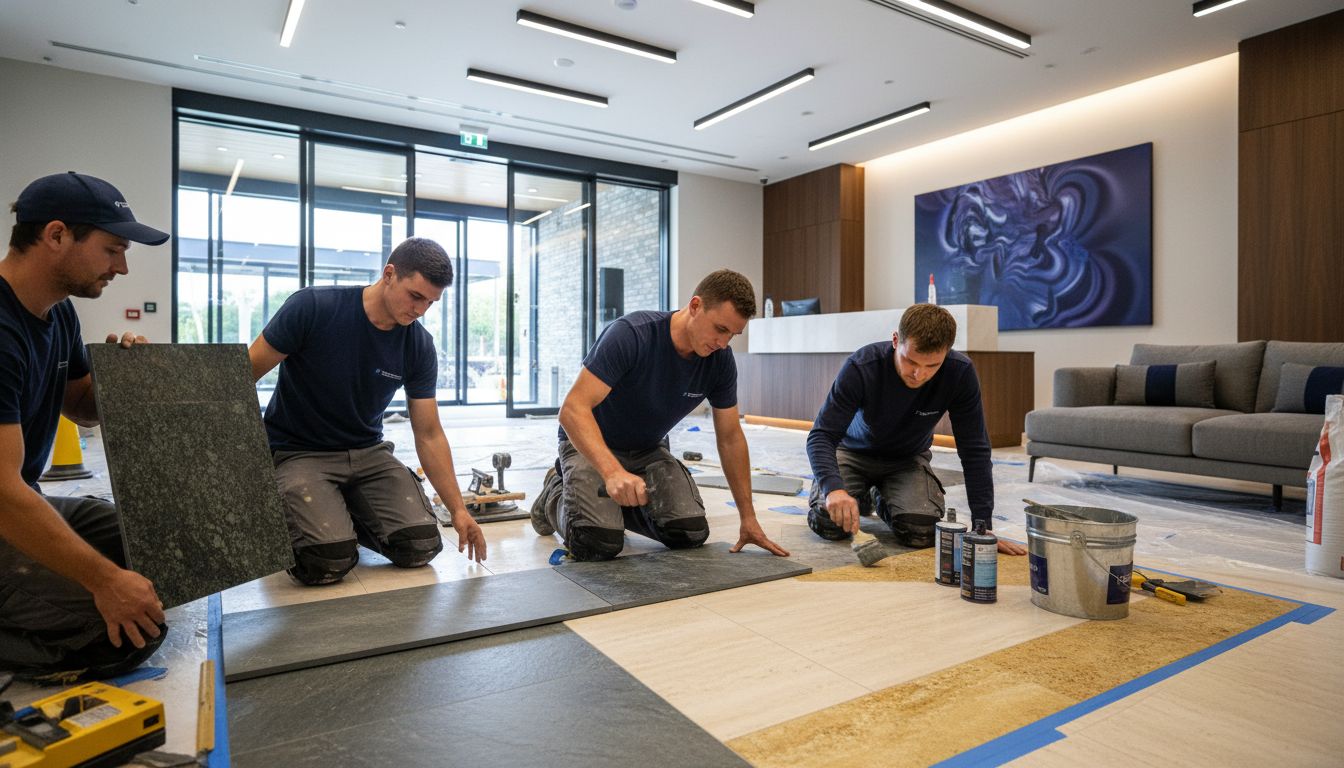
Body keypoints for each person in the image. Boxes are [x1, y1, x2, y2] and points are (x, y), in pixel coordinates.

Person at [0, 171, 170, 680]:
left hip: (20, 498)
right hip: (6, 503)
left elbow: (81, 406)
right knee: (126, 630)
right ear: (56, 236)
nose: (121, 267)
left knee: (163, 554)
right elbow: (2, 493)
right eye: (112, 249)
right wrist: (105, 583)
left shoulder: (59, 313)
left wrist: (122, 382)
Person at [248, 237, 486, 586]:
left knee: (419, 547)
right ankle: (321, 521)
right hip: (299, 452)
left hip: (368, 454)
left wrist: (459, 510)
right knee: (325, 563)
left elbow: (429, 433)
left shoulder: (418, 345)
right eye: (415, 296)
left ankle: (341, 512)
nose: (420, 310)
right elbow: (242, 378)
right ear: (389, 274)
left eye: (431, 303)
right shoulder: (312, 308)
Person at [531, 269, 789, 561]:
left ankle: (613, 508)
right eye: (720, 329)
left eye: (733, 334)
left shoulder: (720, 362)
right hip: (591, 445)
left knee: (688, 533)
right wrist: (613, 472)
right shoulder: (632, 335)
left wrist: (748, 517)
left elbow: (730, 438)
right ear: (695, 306)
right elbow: (572, 410)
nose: (724, 342)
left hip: (647, 450)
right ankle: (555, 490)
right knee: (596, 543)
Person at [806, 303, 1027, 555]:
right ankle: (856, 492)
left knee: (920, 532)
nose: (918, 374)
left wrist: (981, 526)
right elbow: (821, 435)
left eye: (932, 366)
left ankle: (880, 495)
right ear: (895, 340)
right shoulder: (862, 366)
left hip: (907, 460)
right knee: (830, 524)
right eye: (910, 361)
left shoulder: (960, 373)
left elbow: (974, 449)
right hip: (853, 453)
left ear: (947, 353)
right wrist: (833, 488)